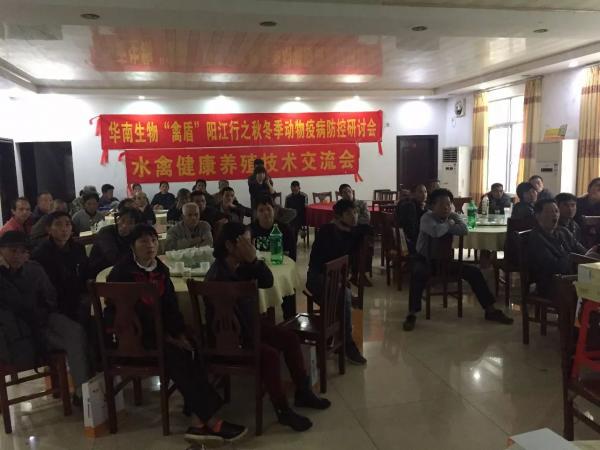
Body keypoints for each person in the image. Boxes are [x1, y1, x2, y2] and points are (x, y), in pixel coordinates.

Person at [106, 224, 247, 444]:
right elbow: (123, 313)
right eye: (143, 241)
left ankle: (197, 420)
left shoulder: (161, 270)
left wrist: (179, 333)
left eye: (153, 240)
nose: (150, 245)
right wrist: (166, 336)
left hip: (161, 332)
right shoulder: (121, 272)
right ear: (132, 246)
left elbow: (171, 307)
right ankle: (211, 421)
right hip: (134, 337)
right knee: (178, 355)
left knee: (194, 344)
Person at [205, 222, 331, 432]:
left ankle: (303, 392)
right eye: (246, 243)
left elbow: (267, 281)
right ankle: (282, 410)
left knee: (290, 338)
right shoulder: (218, 275)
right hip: (230, 340)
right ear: (229, 245)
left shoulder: (241, 266)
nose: (251, 246)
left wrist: (254, 261)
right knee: (270, 355)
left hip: (249, 329)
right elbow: (226, 324)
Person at [0, 231, 91, 406]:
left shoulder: (33, 269)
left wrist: (42, 310)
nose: (17, 255)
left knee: (76, 332)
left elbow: (50, 297)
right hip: (15, 331)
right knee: (65, 340)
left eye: (22, 251)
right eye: (12, 250)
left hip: (42, 319)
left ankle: (83, 392)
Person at [403, 188, 513, 331]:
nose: (446, 207)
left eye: (448, 204)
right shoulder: (426, 218)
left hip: (446, 262)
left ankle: (490, 310)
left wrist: (447, 224)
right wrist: (449, 224)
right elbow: (435, 232)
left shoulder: (453, 215)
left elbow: (464, 230)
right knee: (417, 273)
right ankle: (412, 314)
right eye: (442, 204)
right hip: (425, 260)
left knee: (474, 272)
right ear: (432, 206)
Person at [306, 200, 367, 365]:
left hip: (336, 280)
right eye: (349, 213)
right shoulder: (327, 231)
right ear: (339, 216)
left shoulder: (353, 232)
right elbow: (327, 260)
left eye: (355, 212)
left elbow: (369, 229)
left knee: (341, 297)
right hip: (317, 278)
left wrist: (351, 230)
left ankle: (333, 335)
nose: (354, 216)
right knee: (344, 296)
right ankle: (346, 343)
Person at [528, 199, 597, 298]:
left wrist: (590, 254)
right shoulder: (536, 238)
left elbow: (581, 251)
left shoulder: (563, 231)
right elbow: (553, 266)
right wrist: (574, 258)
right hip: (551, 284)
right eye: (549, 212)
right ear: (538, 216)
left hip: (571, 277)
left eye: (556, 211)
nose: (554, 215)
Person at [32, 212, 90, 324]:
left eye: (67, 224)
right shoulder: (41, 254)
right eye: (58, 224)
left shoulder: (78, 248)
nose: (64, 229)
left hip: (78, 295)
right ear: (49, 229)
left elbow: (85, 273)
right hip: (57, 303)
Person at [88, 207, 144, 277]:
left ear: (136, 225)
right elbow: (113, 257)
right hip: (99, 273)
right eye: (122, 220)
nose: (124, 225)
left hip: (122, 270)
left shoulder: (134, 235)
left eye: (130, 223)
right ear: (118, 219)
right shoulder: (106, 232)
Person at [395, 184, 428, 253]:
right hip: (407, 243)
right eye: (420, 192)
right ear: (412, 194)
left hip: (405, 240)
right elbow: (411, 230)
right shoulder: (409, 205)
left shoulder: (416, 205)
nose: (424, 194)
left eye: (425, 192)